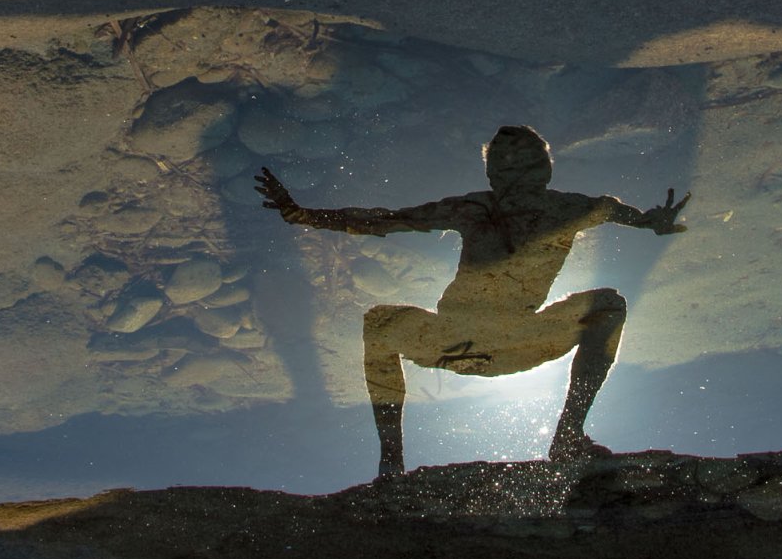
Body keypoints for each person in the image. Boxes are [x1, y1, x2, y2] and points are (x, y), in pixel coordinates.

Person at [258, 124, 689, 480]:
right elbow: (387, 220)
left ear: (544, 169)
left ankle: (568, 435)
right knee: (379, 322)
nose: (514, 173)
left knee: (608, 304)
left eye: (522, 162)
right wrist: (305, 215)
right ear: (494, 174)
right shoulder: (488, 209)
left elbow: (632, 216)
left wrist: (653, 221)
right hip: (467, 341)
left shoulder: (564, 208)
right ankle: (391, 461)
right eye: (505, 164)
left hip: (503, 341)